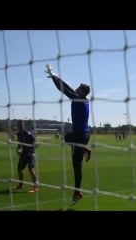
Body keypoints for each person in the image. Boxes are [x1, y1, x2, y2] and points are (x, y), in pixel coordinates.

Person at [45, 63, 91, 206]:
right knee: (67, 140)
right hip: (80, 135)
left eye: (79, 87)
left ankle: (77, 192)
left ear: (83, 92)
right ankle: (84, 149)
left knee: (77, 166)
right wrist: (56, 76)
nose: (76, 88)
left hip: (80, 136)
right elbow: (68, 88)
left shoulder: (79, 99)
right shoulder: (81, 98)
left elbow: (62, 88)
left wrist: (53, 76)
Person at [12, 120, 39, 193]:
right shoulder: (18, 134)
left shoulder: (28, 134)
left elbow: (36, 143)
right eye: (19, 125)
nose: (20, 126)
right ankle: (21, 185)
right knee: (19, 169)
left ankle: (35, 187)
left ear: (23, 125)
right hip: (23, 154)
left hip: (30, 154)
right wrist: (17, 149)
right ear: (17, 126)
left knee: (31, 168)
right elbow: (20, 143)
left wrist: (32, 151)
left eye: (21, 124)